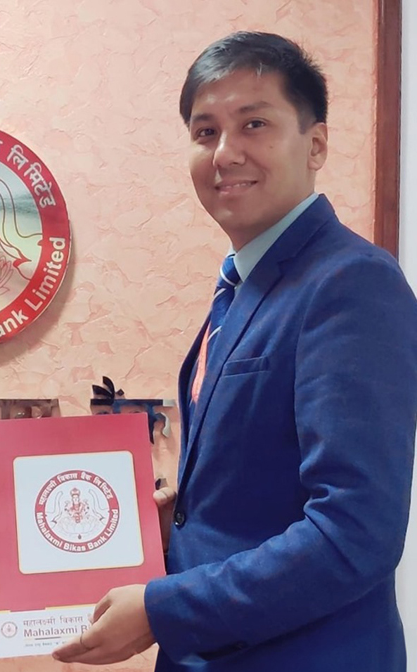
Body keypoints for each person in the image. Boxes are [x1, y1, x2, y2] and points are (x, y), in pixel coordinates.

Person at [53, 31, 417, 671]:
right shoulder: (246, 285)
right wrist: (181, 524)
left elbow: (353, 533)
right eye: (205, 132)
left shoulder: (351, 282)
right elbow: (260, 484)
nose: (225, 152)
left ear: (316, 144)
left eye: (254, 123)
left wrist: (164, 610)